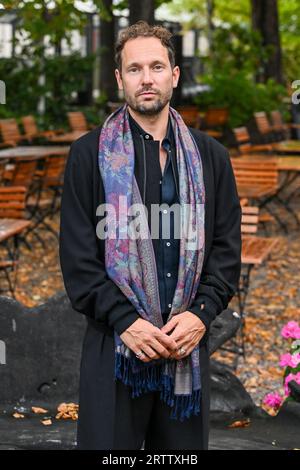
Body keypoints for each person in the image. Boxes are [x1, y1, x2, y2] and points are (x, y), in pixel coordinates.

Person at [59, 21, 242, 450]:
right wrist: (127, 322)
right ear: (120, 79)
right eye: (135, 68)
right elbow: (79, 262)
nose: (147, 78)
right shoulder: (89, 156)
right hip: (116, 349)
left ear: (174, 76)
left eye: (157, 67)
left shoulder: (211, 158)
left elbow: (225, 252)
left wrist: (201, 314)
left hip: (185, 350)